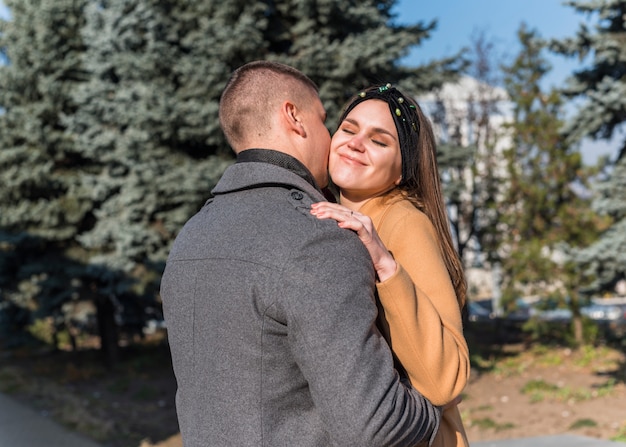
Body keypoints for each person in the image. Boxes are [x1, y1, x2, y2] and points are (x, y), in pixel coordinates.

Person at [160, 62, 441, 447]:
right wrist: (430, 405)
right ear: (294, 116)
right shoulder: (317, 240)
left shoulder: (190, 238)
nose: (333, 139)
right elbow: (375, 426)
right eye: (326, 120)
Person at [311, 83, 470, 447]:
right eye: (349, 129)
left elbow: (448, 379)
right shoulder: (334, 215)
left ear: (401, 171)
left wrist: (385, 263)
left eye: (379, 141)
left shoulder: (403, 222)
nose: (355, 142)